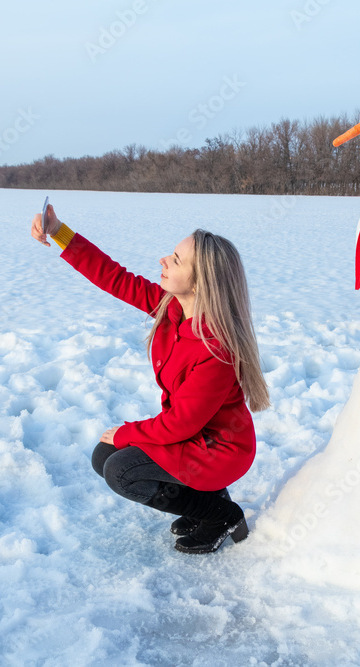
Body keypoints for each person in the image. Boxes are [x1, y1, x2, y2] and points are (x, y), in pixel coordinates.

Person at [31, 204, 270, 554]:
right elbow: (113, 276)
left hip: (218, 450)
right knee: (104, 456)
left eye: (176, 259)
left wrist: (129, 432)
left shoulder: (216, 350)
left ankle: (219, 514)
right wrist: (59, 232)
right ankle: (202, 500)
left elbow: (180, 424)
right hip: (194, 438)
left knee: (120, 471)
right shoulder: (171, 307)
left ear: (200, 280)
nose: (163, 260)